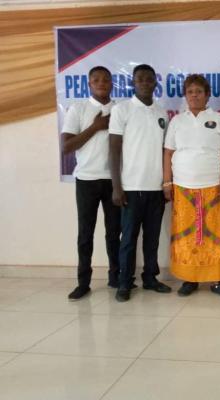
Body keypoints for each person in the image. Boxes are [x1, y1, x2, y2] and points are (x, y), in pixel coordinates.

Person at [163, 74, 220, 297]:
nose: (194, 95)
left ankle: (217, 281)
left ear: (207, 95)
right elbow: (168, 153)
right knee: (188, 238)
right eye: (190, 92)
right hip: (183, 188)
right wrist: (167, 182)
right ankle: (190, 279)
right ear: (185, 95)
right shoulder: (177, 121)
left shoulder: (218, 119)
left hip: (213, 187)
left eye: (198, 91)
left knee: (215, 236)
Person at [109, 64, 171, 302]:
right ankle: (124, 282)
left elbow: (166, 152)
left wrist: (166, 184)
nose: (145, 82)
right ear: (133, 83)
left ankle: (150, 278)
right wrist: (117, 187)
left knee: (152, 238)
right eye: (140, 79)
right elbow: (114, 150)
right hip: (131, 188)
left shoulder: (162, 113)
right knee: (128, 239)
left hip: (156, 187)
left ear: (155, 83)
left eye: (149, 79)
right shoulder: (122, 110)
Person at [62, 66, 121, 300]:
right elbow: (66, 147)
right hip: (86, 179)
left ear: (112, 83)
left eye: (106, 79)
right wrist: (96, 127)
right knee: (85, 233)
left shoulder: (120, 109)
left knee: (114, 232)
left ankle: (115, 277)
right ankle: (83, 282)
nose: (101, 83)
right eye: (96, 79)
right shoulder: (78, 109)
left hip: (114, 180)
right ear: (89, 84)